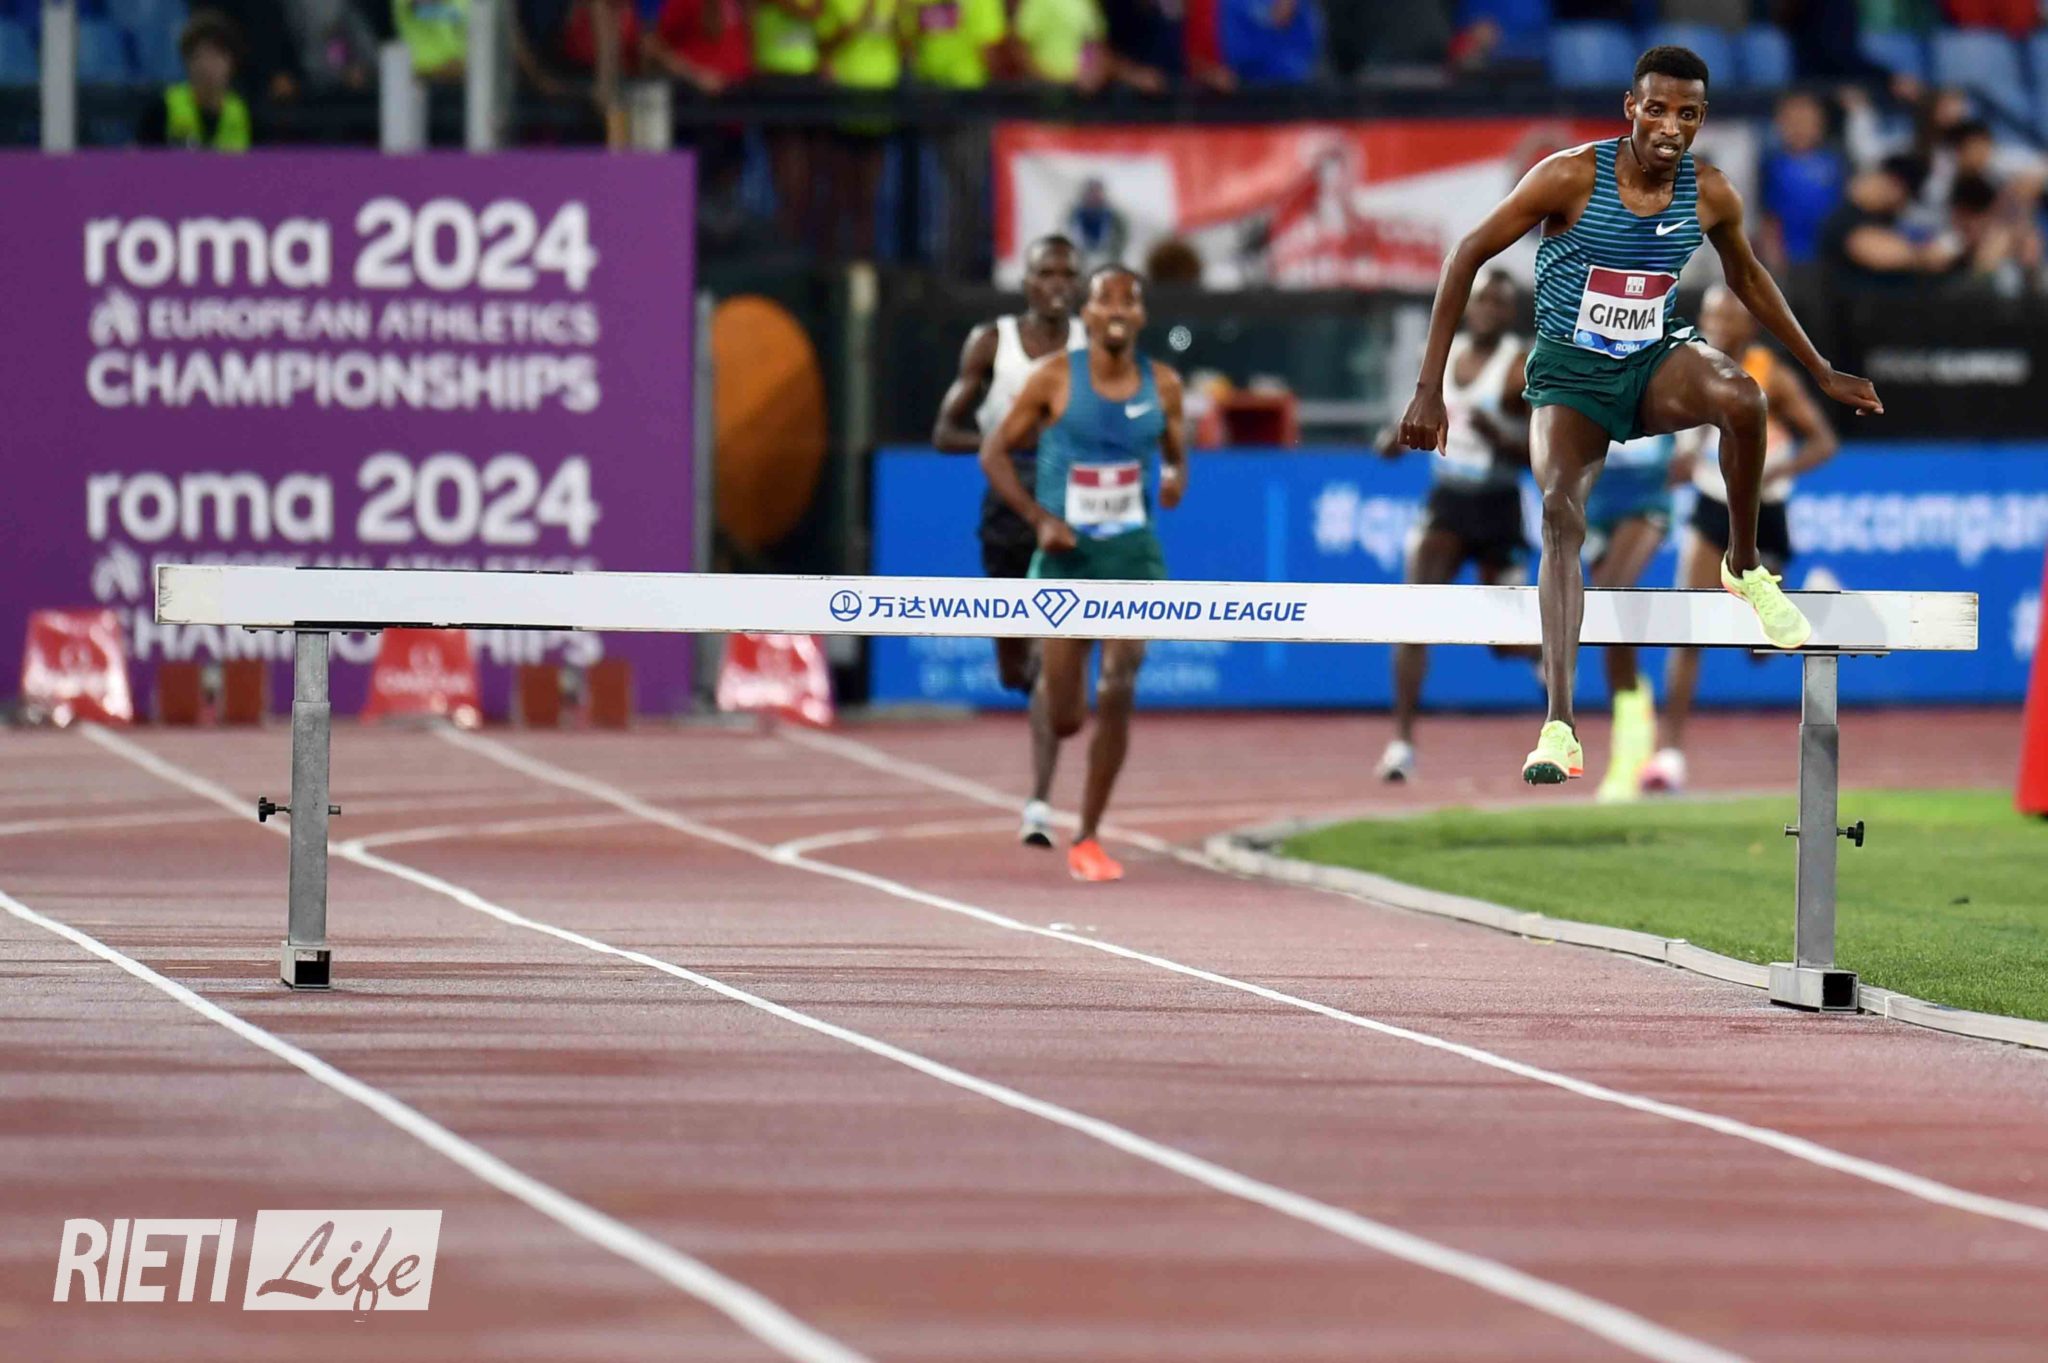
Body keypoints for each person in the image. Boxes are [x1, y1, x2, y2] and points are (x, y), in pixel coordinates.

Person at [1397, 44, 1881, 786]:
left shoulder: (1710, 192)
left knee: (1743, 397)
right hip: (1569, 379)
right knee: (1560, 513)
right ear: (1631, 108)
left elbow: (1749, 278)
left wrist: (1819, 368)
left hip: (1650, 363)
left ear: (1701, 119)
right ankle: (1559, 725)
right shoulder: (1569, 176)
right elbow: (1465, 254)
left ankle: (1743, 565)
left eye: (1687, 114)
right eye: (1656, 109)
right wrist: (1428, 388)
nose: (1669, 127)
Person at [979, 267, 1188, 882]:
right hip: (1066, 562)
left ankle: (1089, 835)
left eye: (1129, 300)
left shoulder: (1164, 384)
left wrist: (1174, 481)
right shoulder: (1053, 378)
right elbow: (994, 453)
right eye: (1106, 300)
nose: (1118, 309)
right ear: (1088, 315)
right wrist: (1039, 518)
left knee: (1119, 683)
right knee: (1067, 716)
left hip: (1132, 562)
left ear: (1141, 316)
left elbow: (1177, 458)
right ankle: (1050, 684)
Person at [1641, 284, 1839, 795]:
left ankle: (1811, 598)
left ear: (1749, 326)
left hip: (1763, 513)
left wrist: (1775, 472)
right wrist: (1683, 460)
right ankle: (1669, 753)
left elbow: (1824, 441)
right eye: (1712, 316)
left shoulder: (1773, 376)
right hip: (1713, 507)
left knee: (1759, 647)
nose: (1719, 326)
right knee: (1687, 626)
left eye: (1729, 318)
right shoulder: (1689, 365)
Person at [933, 235, 1086, 846]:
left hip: (1069, 507)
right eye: (1046, 272)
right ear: (1026, 282)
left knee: (1052, 659)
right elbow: (945, 432)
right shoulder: (992, 342)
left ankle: (1039, 804)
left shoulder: (1091, 345)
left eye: (1067, 273)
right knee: (1013, 666)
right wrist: (1008, 442)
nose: (1056, 283)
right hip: (1005, 503)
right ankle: (1030, 680)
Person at [1374, 268, 1532, 784]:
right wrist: (1393, 438)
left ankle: (1544, 669)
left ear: (1510, 313)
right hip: (1449, 501)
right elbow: (1413, 416)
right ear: (1468, 305)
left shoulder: (1519, 366)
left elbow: (1541, 453)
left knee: (1505, 640)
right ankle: (1401, 744)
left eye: (1499, 303)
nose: (1488, 310)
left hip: (1498, 505)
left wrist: (1499, 438)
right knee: (1413, 616)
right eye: (1481, 300)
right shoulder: (1444, 353)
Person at [1581, 430, 1677, 801]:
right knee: (1611, 627)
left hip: (1646, 498)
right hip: (1595, 499)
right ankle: (1631, 740)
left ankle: (1629, 755)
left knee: (1614, 595)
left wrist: (1694, 448)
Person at [138, 11, 253, 152]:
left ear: (231, 62)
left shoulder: (247, 116)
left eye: (216, 56)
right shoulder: (160, 111)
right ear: (187, 63)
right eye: (200, 56)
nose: (207, 66)